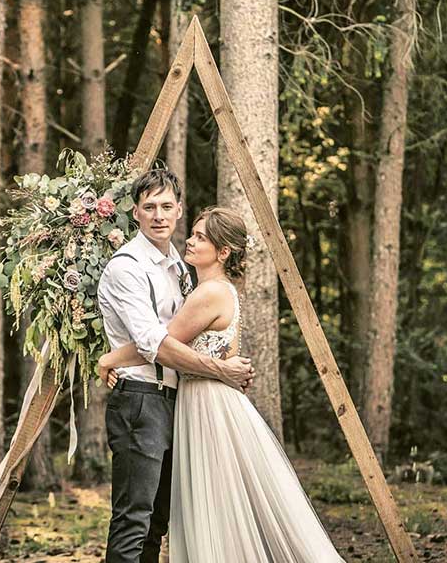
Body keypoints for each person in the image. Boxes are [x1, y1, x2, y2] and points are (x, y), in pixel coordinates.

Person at [99, 206, 346, 562]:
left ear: (224, 251)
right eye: (194, 233)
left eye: (201, 237)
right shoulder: (221, 290)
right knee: (218, 504)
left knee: (210, 506)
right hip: (211, 399)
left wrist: (110, 359)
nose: (190, 240)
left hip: (205, 405)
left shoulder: (208, 293)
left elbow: (159, 345)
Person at [97, 170, 254, 563]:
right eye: (149, 207)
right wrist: (221, 370)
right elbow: (158, 345)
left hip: (177, 402)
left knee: (158, 522)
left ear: (179, 210)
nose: (159, 215)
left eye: (166, 206)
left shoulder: (181, 269)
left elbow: (183, 334)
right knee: (134, 519)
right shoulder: (127, 267)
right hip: (140, 401)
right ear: (135, 213)